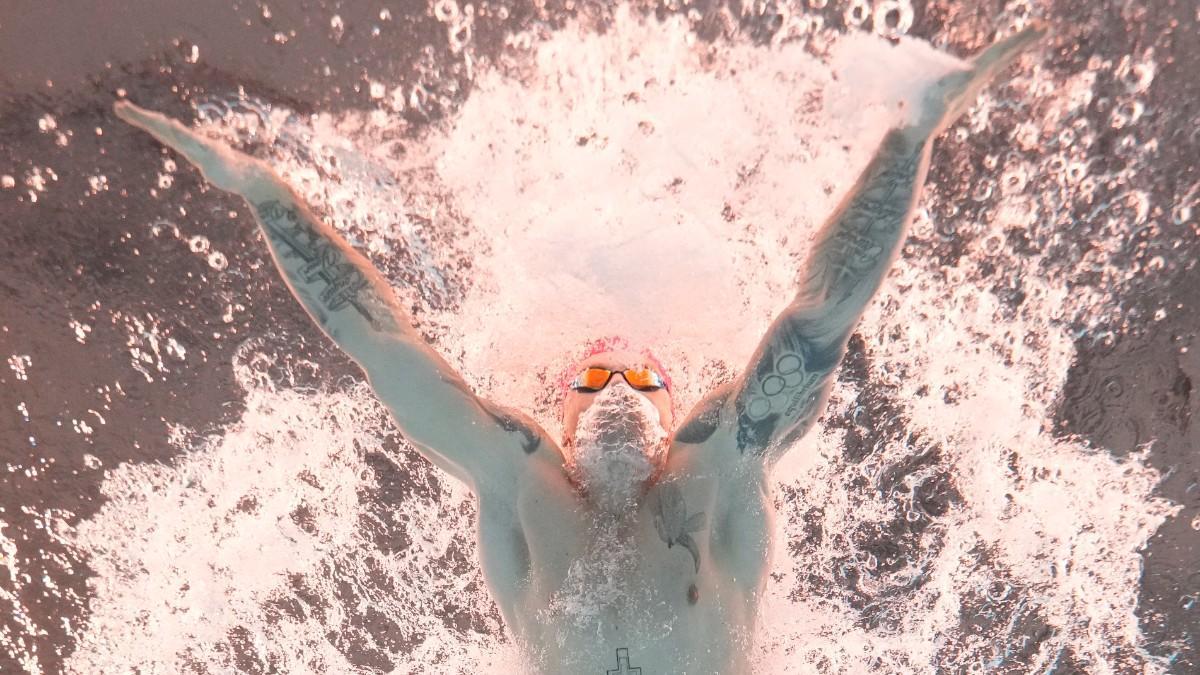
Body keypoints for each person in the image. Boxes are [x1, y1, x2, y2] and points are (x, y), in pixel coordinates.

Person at [114, 24, 1044, 674]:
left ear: (676, 407)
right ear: (555, 412)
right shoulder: (516, 475)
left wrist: (911, 132)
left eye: (639, 377)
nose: (617, 391)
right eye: (598, 376)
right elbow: (380, 339)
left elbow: (820, 312)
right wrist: (264, 194)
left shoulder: (716, 469)